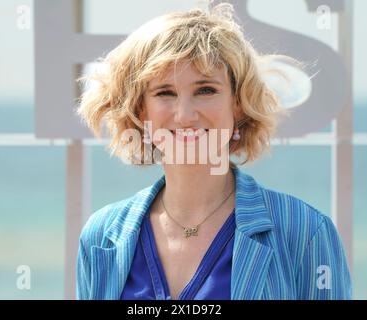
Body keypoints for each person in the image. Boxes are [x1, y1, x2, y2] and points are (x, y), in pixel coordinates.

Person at [75, 3, 352, 300]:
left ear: (238, 103)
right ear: (140, 110)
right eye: (164, 93)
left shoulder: (305, 232)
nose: (184, 114)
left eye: (205, 90)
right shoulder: (101, 236)